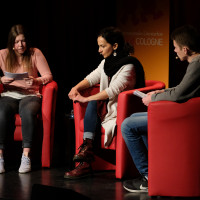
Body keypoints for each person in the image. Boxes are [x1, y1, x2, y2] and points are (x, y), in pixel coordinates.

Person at [121, 24, 200, 193]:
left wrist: (153, 98)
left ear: (185, 49)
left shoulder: (197, 64)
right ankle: (157, 171)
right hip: (181, 114)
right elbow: (183, 88)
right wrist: (163, 91)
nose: (175, 51)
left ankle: (149, 176)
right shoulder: (196, 63)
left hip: (183, 117)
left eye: (175, 48)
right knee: (134, 119)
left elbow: (179, 95)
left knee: (127, 125)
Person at [64, 26, 145, 179]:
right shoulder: (106, 63)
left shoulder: (129, 66)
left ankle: (85, 157)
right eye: (99, 46)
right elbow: (92, 78)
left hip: (121, 110)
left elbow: (113, 90)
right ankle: (86, 153)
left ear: (114, 46)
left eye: (102, 46)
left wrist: (86, 99)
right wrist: (75, 88)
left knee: (94, 101)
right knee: (94, 102)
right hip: (106, 109)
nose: (99, 50)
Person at [0, 24, 53, 174]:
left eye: (22, 41)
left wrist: (36, 81)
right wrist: (1, 80)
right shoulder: (3, 54)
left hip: (30, 94)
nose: (20, 45)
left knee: (28, 113)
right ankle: (0, 156)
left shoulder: (35, 53)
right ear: (11, 43)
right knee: (2, 112)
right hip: (9, 93)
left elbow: (48, 76)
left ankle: (26, 155)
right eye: (16, 42)